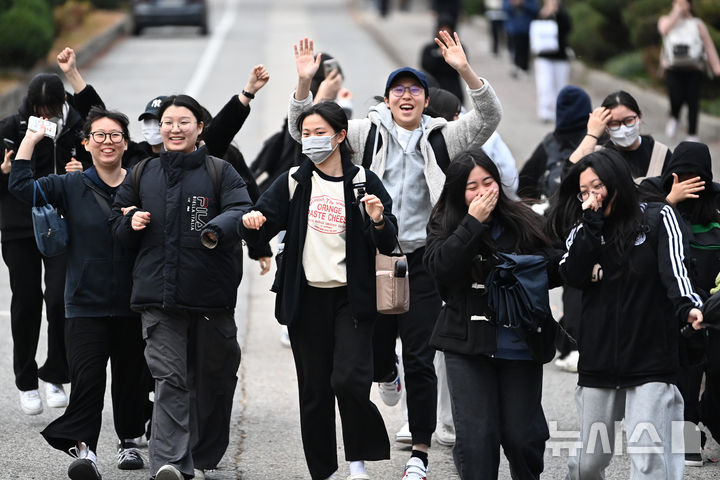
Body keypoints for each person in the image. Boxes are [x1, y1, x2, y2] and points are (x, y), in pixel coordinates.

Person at [288, 32, 502, 479]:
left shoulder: (444, 138)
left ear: (425, 99)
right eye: (398, 90)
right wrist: (305, 87)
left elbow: (489, 116)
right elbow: (306, 132)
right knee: (374, 354)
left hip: (422, 259)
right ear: (386, 99)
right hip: (371, 260)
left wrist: (464, 69)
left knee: (423, 356)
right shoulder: (365, 133)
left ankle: (419, 453)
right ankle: (387, 371)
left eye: (415, 90)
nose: (407, 97)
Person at [242, 100, 397, 480]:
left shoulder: (363, 181)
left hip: (353, 299)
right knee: (314, 392)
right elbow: (261, 223)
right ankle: (323, 471)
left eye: (319, 133)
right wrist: (252, 222)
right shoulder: (295, 180)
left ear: (340, 135)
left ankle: (357, 463)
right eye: (306, 134)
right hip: (306, 299)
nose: (311, 141)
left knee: (348, 380)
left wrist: (377, 220)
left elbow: (388, 242)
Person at [111, 94, 250, 480]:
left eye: (183, 121)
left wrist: (215, 228)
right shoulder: (142, 172)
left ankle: (203, 454)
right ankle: (172, 463)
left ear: (199, 128)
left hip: (211, 298)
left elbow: (241, 210)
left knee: (214, 377)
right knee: (169, 378)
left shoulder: (221, 172)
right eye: (168, 122)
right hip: (159, 297)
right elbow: (117, 221)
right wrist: (130, 222)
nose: (174, 129)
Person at [8, 107, 148, 480]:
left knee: (130, 377)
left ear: (126, 142)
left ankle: (129, 442)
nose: (107, 142)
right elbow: (21, 188)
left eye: (115, 135)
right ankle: (86, 453)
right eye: (99, 135)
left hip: (135, 302)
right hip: (85, 303)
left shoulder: (143, 183)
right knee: (87, 379)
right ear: (86, 144)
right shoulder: (71, 186)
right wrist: (31, 138)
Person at [549, 148, 704, 479]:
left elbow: (676, 273)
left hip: (651, 359)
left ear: (616, 181)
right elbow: (571, 274)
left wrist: (689, 307)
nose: (591, 196)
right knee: (589, 461)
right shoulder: (585, 229)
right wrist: (591, 222)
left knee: (648, 458)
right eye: (583, 192)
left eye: (597, 186)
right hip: (599, 359)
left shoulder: (660, 216)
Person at [424, 148, 561, 479]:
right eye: (472, 186)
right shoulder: (446, 222)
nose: (483, 191)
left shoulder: (525, 219)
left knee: (522, 436)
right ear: (458, 191)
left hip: (520, 344)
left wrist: (526, 270)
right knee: (477, 439)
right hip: (467, 345)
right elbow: (441, 269)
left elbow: (557, 266)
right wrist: (473, 224)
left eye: (488, 181)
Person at [0, 70, 98, 416]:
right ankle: (26, 381)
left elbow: (100, 157)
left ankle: (56, 374)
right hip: (20, 229)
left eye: (50, 109)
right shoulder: (11, 129)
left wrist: (81, 167)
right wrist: (4, 171)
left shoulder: (76, 128)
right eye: (37, 108)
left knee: (59, 299)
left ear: (62, 104)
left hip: (62, 226)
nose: (43, 116)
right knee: (26, 303)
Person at [640, 141, 720, 467]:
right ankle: (687, 442)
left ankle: (710, 421)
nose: (688, 183)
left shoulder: (715, 204)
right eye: (680, 176)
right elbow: (635, 232)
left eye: (695, 178)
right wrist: (668, 203)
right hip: (672, 305)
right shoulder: (651, 194)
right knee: (683, 378)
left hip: (713, 308)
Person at [568, 90, 671, 179]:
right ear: (606, 127)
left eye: (629, 120)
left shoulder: (660, 154)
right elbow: (568, 176)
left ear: (639, 117)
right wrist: (592, 134)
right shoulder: (600, 155)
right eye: (614, 123)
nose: (623, 128)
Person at [658, 0, 720, 142]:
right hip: (673, 69)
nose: (681, 5)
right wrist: (676, 12)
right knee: (675, 97)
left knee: (693, 102)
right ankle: (674, 117)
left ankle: (692, 133)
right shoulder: (666, 20)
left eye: (683, 2)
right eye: (677, 2)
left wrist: (716, 67)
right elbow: (664, 29)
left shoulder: (697, 23)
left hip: (694, 69)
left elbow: (708, 45)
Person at [532, 0, 572, 123]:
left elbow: (568, 27)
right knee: (545, 85)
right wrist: (544, 15)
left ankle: (560, 112)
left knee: (561, 85)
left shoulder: (563, 13)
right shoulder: (539, 12)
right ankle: (545, 112)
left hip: (560, 57)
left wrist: (557, 13)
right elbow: (534, 31)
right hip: (543, 56)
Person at [421, 14, 466, 104]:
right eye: (442, 30)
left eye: (447, 30)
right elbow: (425, 66)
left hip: (453, 91)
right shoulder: (429, 49)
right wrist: (438, 56)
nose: (445, 33)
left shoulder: (459, 49)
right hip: (433, 91)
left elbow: (461, 68)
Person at [503, 0, 539, 79]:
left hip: (526, 28)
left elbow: (535, 9)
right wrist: (513, 4)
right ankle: (516, 66)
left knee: (525, 49)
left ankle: (524, 68)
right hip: (513, 29)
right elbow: (505, 9)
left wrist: (523, 4)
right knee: (513, 48)